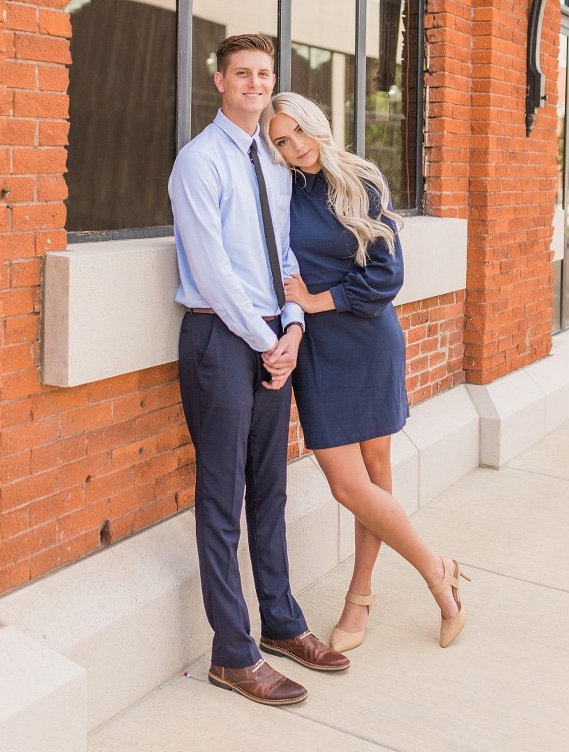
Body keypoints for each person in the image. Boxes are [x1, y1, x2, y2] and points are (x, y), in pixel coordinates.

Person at [168, 36, 350, 709]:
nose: (253, 83)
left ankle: (280, 621)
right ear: (219, 80)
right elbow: (212, 271)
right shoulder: (199, 161)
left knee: (269, 489)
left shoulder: (275, 166)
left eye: (264, 74)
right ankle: (233, 655)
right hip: (220, 337)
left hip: (273, 336)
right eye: (242, 73)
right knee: (222, 501)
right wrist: (266, 335)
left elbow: (286, 258)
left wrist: (294, 325)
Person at [261, 92, 470, 652]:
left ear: (318, 125)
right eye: (281, 140)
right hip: (318, 352)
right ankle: (437, 568)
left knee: (377, 475)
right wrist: (299, 306)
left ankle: (361, 594)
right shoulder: (281, 190)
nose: (295, 146)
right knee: (349, 485)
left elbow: (386, 277)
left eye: (300, 132)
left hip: (369, 338)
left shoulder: (361, 180)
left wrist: (315, 298)